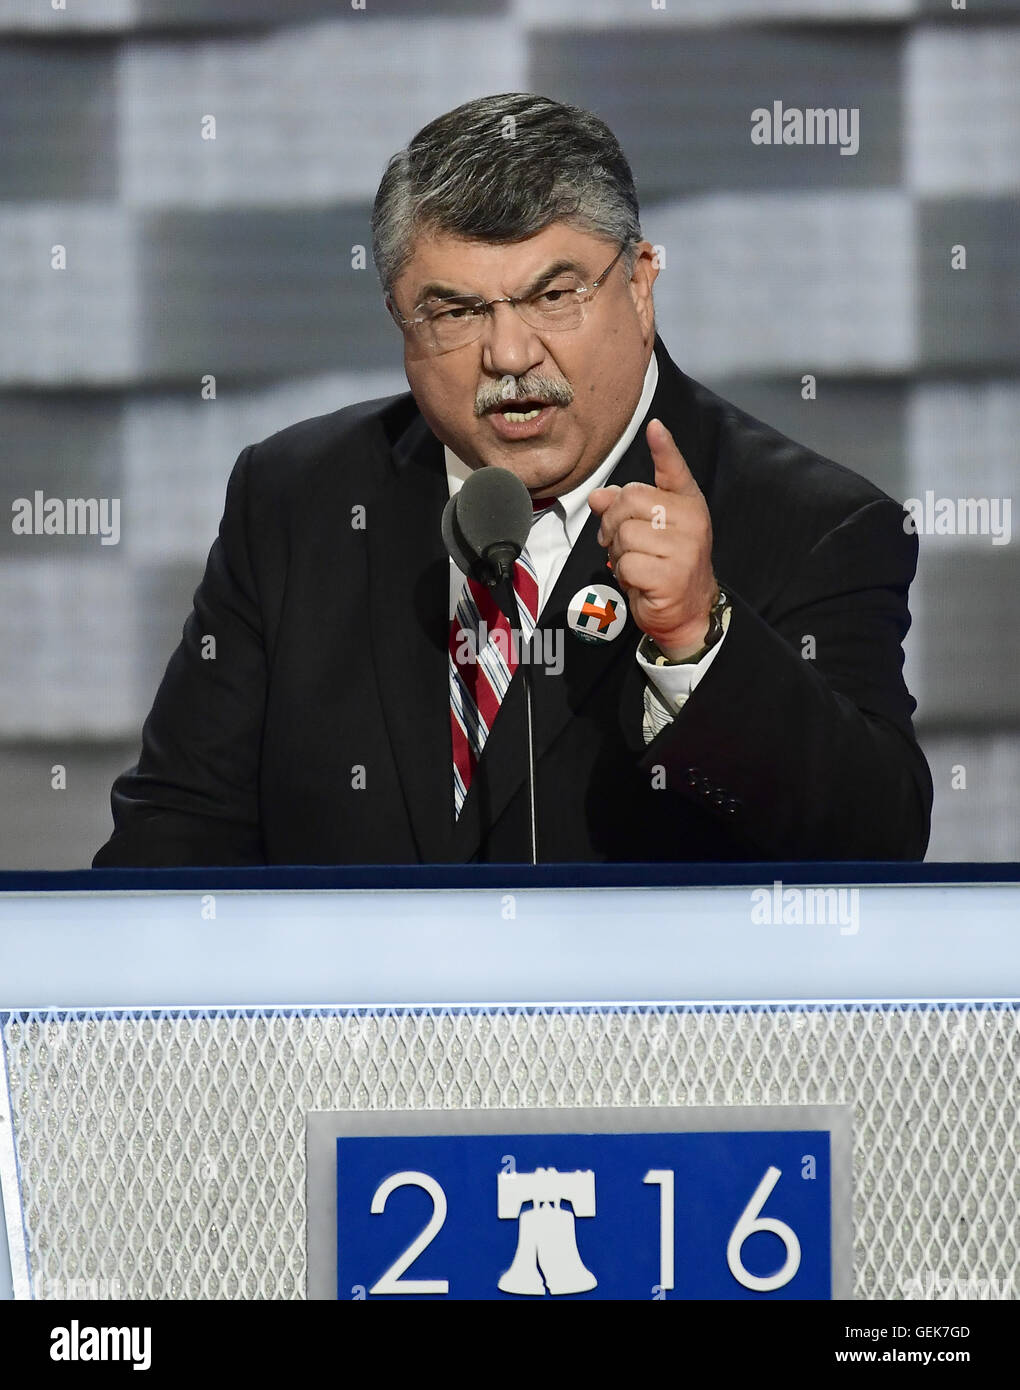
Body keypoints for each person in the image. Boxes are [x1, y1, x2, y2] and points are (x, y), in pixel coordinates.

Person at [92, 94, 932, 868]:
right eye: (457, 312)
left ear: (640, 284)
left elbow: (874, 844)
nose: (510, 355)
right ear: (400, 320)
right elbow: (174, 842)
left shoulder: (816, 526)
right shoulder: (295, 502)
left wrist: (697, 639)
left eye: (554, 295)